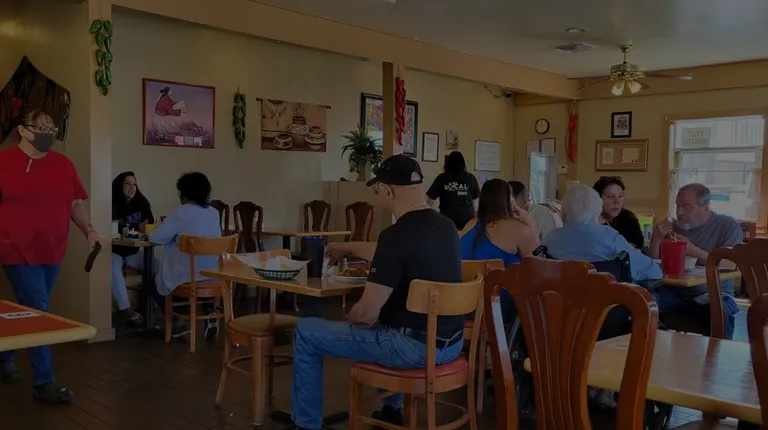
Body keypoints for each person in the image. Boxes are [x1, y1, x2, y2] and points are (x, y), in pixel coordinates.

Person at [289, 155, 464, 430]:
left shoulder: (395, 235)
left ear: (388, 191)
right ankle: (391, 409)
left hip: (412, 350)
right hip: (452, 345)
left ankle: (306, 424)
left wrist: (348, 322)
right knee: (389, 321)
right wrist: (348, 248)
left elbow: (365, 316)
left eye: (378, 191)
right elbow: (395, 253)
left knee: (306, 331)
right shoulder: (447, 227)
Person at [0, 107, 100, 403]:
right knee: (38, 309)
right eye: (41, 128)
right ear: (22, 130)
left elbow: (75, 205)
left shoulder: (63, 164)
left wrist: (89, 231)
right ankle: (44, 382)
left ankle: (4, 359)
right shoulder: (3, 162)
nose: (48, 134)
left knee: (28, 309)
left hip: (53, 249)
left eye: (51, 129)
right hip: (15, 247)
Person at [649, 183, 743, 339]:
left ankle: (718, 352)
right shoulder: (672, 228)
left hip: (712, 293)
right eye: (677, 206)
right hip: (674, 292)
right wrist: (656, 238)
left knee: (722, 311)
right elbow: (653, 264)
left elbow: (729, 265)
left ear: (706, 206)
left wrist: (693, 251)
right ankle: (646, 348)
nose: (679, 212)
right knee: (642, 300)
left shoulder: (727, 225)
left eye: (686, 206)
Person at [148, 172, 222, 337]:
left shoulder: (181, 212)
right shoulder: (214, 213)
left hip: (188, 278)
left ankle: (179, 320)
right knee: (195, 272)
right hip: (214, 276)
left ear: (184, 192)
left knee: (152, 280)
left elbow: (155, 238)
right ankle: (210, 309)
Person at [543, 184, 661, 283]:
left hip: (560, 302)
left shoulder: (550, 239)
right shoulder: (609, 237)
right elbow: (653, 272)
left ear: (564, 211)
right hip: (607, 303)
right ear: (597, 210)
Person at [461, 179, 539, 322]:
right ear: (509, 202)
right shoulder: (519, 230)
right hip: (501, 311)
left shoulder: (468, 227)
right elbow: (538, 267)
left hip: (466, 307)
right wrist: (529, 222)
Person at [111, 171, 155, 324]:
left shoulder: (142, 204)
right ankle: (126, 310)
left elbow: (149, 227)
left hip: (133, 251)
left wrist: (146, 229)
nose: (132, 187)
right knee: (112, 269)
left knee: (158, 267)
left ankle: (157, 306)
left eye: (135, 184)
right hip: (114, 251)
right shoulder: (110, 203)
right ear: (119, 186)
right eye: (127, 183)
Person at [426, 151, 479, 230]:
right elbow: (475, 200)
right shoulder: (470, 178)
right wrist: (475, 218)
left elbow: (430, 198)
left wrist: (427, 214)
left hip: (447, 218)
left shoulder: (442, 178)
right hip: (466, 218)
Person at [593, 176, 644, 249]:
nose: (617, 201)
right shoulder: (589, 220)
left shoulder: (629, 218)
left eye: (620, 196)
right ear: (597, 199)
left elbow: (638, 247)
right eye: (610, 196)